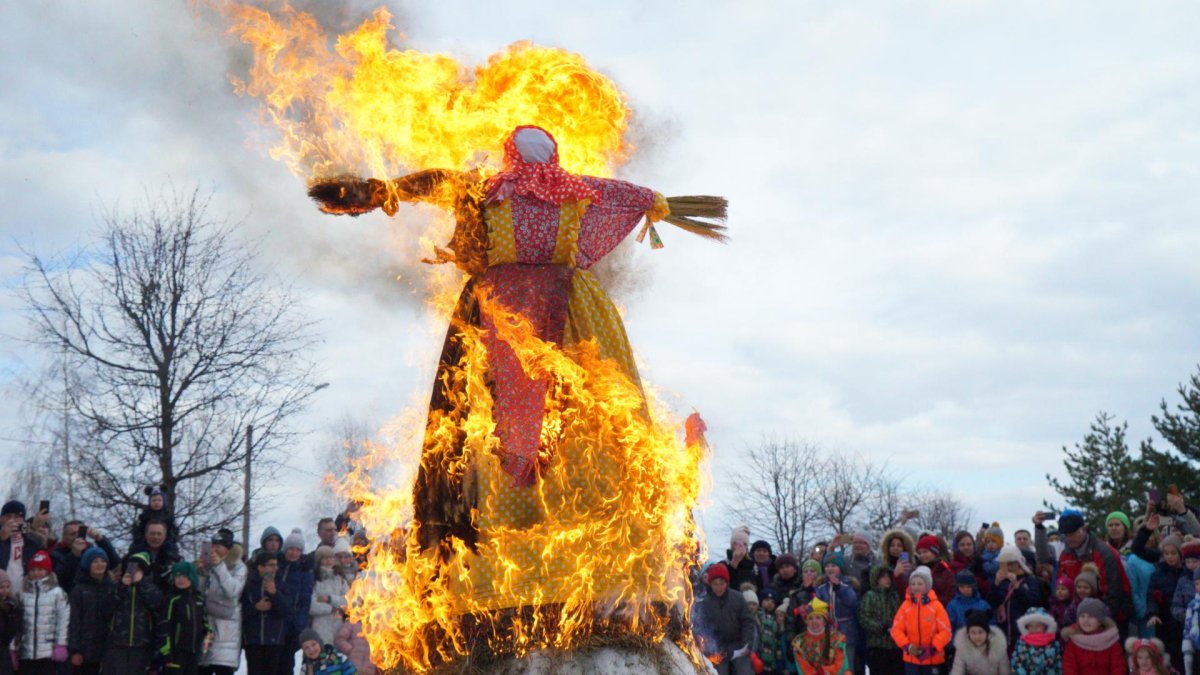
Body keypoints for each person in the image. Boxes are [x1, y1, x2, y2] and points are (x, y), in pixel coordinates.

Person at [1033, 509, 1133, 633]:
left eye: (1072, 534)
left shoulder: (1104, 553)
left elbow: (1113, 593)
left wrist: (1099, 623)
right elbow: (1057, 577)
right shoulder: (1066, 554)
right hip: (1079, 618)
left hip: (1108, 618)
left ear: (1084, 529)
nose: (1069, 539)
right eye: (1065, 535)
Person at [103, 551, 163, 674]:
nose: (134, 571)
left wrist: (141, 584)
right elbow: (106, 608)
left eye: (138, 569)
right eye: (132, 568)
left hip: (141, 644)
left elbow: (156, 604)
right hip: (117, 643)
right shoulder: (116, 587)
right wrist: (122, 586)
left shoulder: (151, 588)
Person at [199, 528, 246, 675]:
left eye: (218, 546)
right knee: (202, 669)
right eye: (212, 545)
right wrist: (201, 572)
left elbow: (232, 590)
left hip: (226, 633)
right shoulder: (208, 565)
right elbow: (199, 594)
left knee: (223, 669)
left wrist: (220, 567)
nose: (214, 549)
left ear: (228, 548)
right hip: (206, 630)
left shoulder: (239, 567)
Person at [694, 564, 756, 675]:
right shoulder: (704, 602)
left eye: (722, 584)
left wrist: (746, 645)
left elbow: (748, 622)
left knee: (744, 671)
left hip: (738, 645)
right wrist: (709, 648)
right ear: (710, 584)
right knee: (717, 672)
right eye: (715, 584)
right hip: (717, 648)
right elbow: (700, 627)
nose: (719, 588)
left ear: (727, 583)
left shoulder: (738, 598)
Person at [890, 566, 951, 674]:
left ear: (927, 585)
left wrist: (933, 648)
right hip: (911, 659)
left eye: (920, 584)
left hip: (932, 659)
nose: (916, 586)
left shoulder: (936, 606)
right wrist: (907, 646)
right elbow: (896, 629)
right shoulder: (906, 606)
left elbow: (946, 631)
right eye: (913, 584)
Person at [18, 550, 68, 675]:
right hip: (26, 652)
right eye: (33, 570)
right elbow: (16, 623)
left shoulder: (57, 593)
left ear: (47, 571)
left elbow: (63, 620)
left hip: (47, 652)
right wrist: (13, 648)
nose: (36, 573)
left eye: (40, 569)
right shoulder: (22, 593)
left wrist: (61, 644)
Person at [67, 546, 115, 674]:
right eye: (95, 561)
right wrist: (75, 650)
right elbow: (73, 621)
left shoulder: (113, 588)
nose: (100, 564)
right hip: (85, 650)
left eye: (103, 561)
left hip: (108, 648)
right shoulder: (79, 589)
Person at [1144, 531, 1187, 672]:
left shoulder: (1187, 573)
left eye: (1173, 553)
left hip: (1184, 623)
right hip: (1165, 623)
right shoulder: (1157, 574)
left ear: (1180, 553)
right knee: (1167, 660)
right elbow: (1151, 596)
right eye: (1166, 553)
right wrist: (1153, 613)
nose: (1169, 557)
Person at [986, 545, 1041, 655]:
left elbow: (1034, 602)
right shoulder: (1000, 581)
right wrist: (996, 584)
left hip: (1023, 632)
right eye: (1004, 564)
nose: (1008, 567)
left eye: (1011, 563)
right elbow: (991, 603)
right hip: (1003, 632)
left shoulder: (1029, 580)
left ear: (1019, 563)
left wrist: (1017, 587)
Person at [158, 562, 210, 675]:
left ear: (191, 577)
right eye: (177, 576)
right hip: (175, 653)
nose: (180, 579)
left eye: (184, 576)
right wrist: (166, 651)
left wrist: (206, 642)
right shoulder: (172, 599)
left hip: (194, 653)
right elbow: (164, 627)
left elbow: (205, 624)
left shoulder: (199, 599)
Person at [242, 550, 289, 674]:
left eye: (276, 565)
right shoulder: (248, 585)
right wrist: (256, 607)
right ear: (260, 567)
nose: (274, 568)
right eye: (271, 565)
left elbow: (286, 611)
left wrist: (274, 593)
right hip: (253, 640)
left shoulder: (281, 585)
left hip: (274, 639)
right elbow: (241, 611)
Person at [276, 527, 315, 675]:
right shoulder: (277, 566)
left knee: (287, 665)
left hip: (292, 626)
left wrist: (299, 626)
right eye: (291, 549)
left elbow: (305, 601)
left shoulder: (304, 571)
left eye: (298, 550)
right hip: (275, 623)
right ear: (285, 549)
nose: (294, 553)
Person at [815, 552, 858, 671]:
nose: (830, 569)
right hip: (827, 634)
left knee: (846, 666)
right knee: (829, 666)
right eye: (827, 566)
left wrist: (839, 587)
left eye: (833, 566)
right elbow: (817, 609)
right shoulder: (820, 588)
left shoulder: (847, 584)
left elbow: (852, 602)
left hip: (846, 633)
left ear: (840, 568)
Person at [858, 566, 903, 675]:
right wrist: (881, 627)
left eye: (888, 576)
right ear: (876, 579)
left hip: (895, 645)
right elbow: (864, 618)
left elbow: (902, 615)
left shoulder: (895, 596)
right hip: (877, 645)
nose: (887, 579)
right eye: (883, 577)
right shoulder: (870, 596)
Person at [1061, 597, 1123, 675]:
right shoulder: (1073, 641)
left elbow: (1118, 667)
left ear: (1100, 621)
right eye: (1082, 616)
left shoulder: (1111, 640)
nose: (1085, 620)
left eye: (1090, 616)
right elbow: (1069, 668)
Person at [791, 598, 847, 675]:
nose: (814, 622)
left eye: (818, 618)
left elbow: (841, 665)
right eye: (811, 618)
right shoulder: (799, 642)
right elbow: (803, 668)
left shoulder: (837, 638)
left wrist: (824, 671)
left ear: (824, 621)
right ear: (806, 622)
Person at [0, 500, 46, 591]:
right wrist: (1, 538)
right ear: (1, 519)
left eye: (17, 517)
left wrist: (34, 528)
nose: (12, 520)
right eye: (8, 516)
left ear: (23, 520)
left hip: (25, 593)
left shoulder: (31, 540)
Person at [129, 518, 181, 593]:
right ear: (146, 535)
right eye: (152, 533)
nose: (155, 537)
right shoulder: (134, 556)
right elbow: (129, 578)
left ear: (165, 536)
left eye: (159, 534)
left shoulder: (174, 558)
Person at [949, 609, 1008, 675]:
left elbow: (1004, 671)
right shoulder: (962, 647)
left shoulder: (999, 646)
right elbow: (957, 670)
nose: (977, 637)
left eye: (980, 632)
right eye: (973, 632)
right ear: (968, 633)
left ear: (987, 632)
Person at [310, 545, 349, 645]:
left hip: (338, 624)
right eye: (325, 558)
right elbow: (312, 606)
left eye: (331, 558)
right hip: (320, 625)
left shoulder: (340, 579)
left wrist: (330, 599)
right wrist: (332, 609)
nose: (329, 561)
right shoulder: (314, 580)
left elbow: (347, 601)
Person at [1008, 607, 1061, 675]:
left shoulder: (1054, 644)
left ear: (1045, 626)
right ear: (1026, 627)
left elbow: (1058, 665)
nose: (1034, 629)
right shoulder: (1021, 644)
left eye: (1038, 626)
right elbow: (1016, 664)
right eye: (1031, 626)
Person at [131, 486, 181, 556]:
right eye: (154, 500)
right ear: (150, 502)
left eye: (159, 500)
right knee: (137, 549)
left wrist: (170, 540)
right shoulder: (144, 516)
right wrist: (139, 539)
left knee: (171, 550)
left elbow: (174, 530)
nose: (156, 502)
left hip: (165, 543)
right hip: (146, 543)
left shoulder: (168, 516)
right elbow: (137, 529)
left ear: (164, 501)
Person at [946, 570, 991, 638]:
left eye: (968, 586)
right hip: (960, 641)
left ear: (973, 586)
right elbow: (949, 628)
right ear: (958, 587)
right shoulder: (952, 606)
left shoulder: (983, 605)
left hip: (980, 641)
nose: (965, 589)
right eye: (962, 586)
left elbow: (991, 626)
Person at [874, 528, 916, 600]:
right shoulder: (882, 567)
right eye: (892, 545)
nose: (895, 548)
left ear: (904, 548)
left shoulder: (911, 568)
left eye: (899, 546)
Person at [915, 534, 956, 605]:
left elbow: (950, 596)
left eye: (925, 552)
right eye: (920, 553)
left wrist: (931, 599)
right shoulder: (917, 570)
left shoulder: (944, 570)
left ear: (935, 552)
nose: (922, 555)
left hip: (939, 609)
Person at [756, 589, 785, 675]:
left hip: (772, 660)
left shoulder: (776, 618)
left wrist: (779, 658)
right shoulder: (758, 615)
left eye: (772, 601)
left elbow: (778, 638)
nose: (770, 603)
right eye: (767, 600)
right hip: (759, 657)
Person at [722, 526, 757, 590]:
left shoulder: (753, 565)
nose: (740, 546)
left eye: (744, 544)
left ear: (747, 547)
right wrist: (734, 562)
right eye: (736, 543)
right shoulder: (723, 564)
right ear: (731, 545)